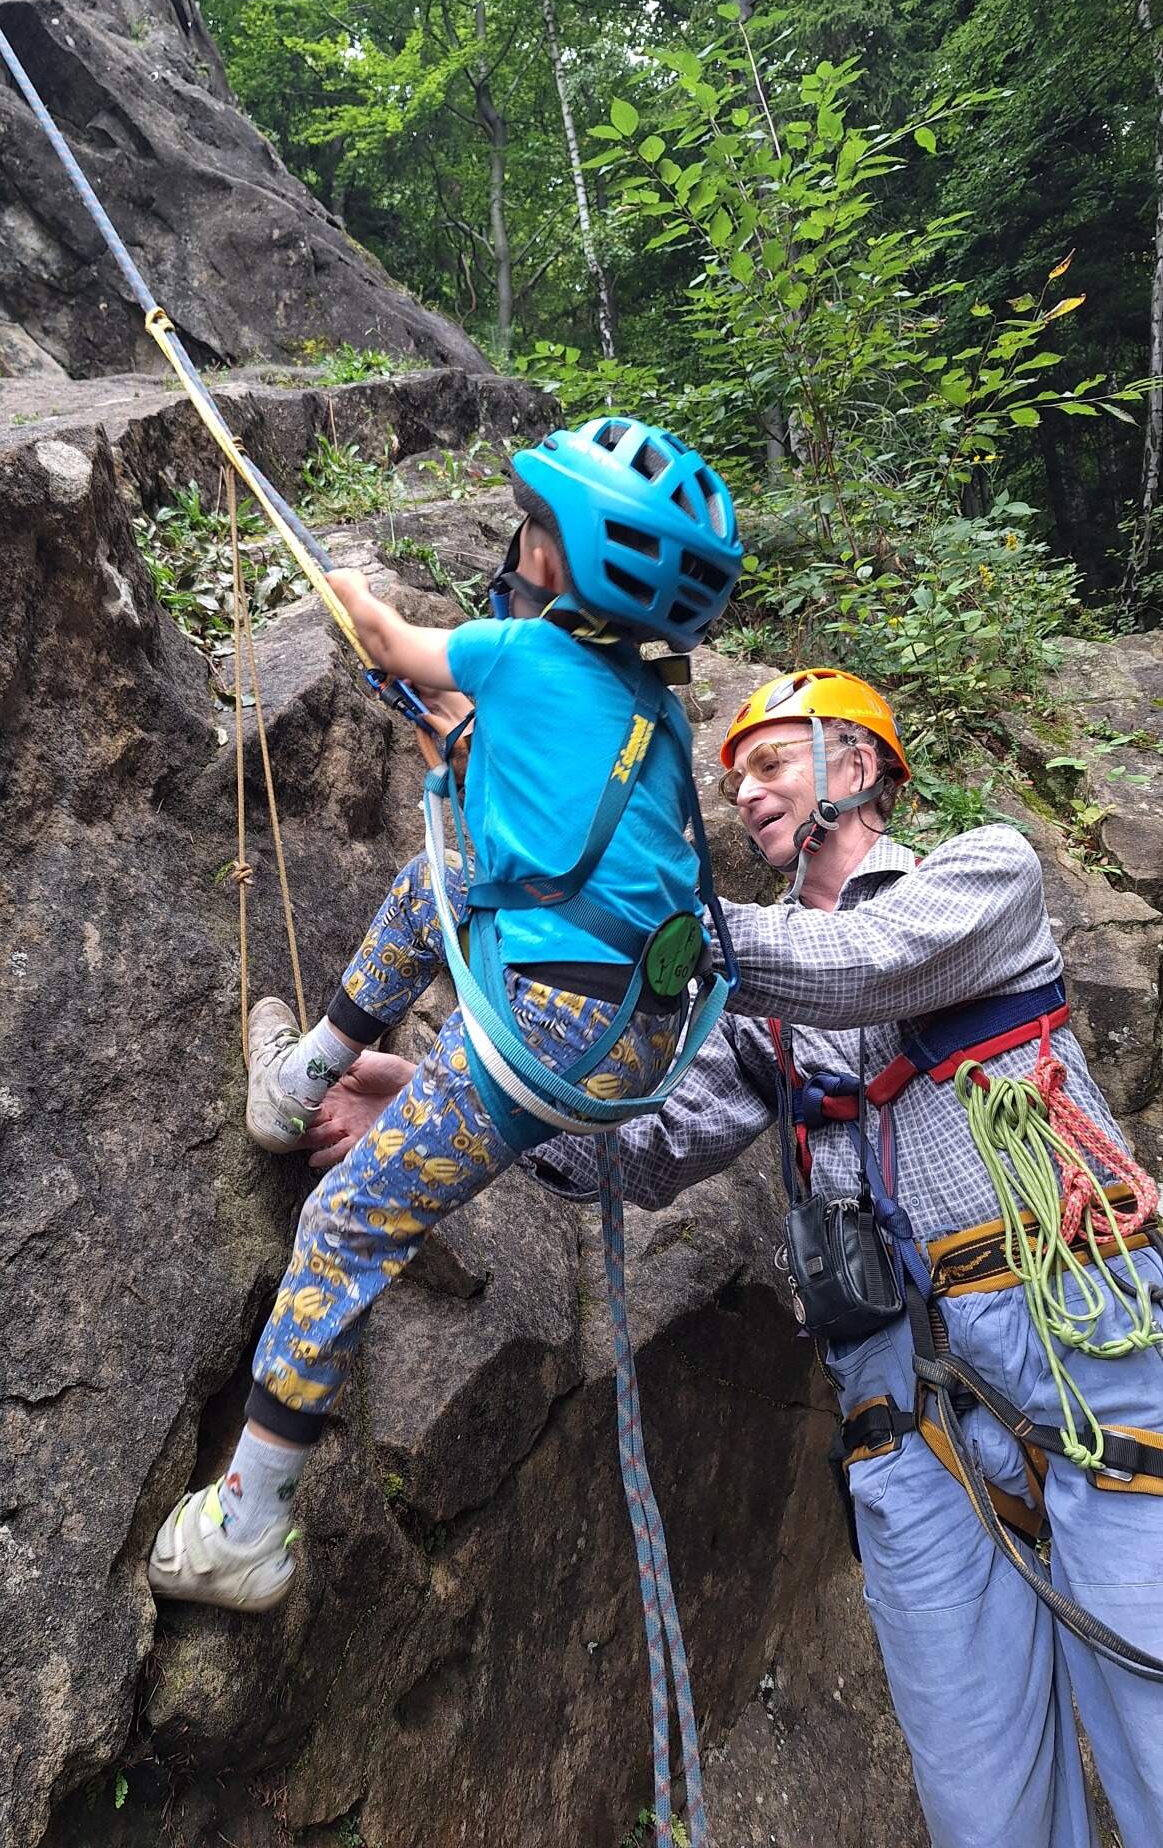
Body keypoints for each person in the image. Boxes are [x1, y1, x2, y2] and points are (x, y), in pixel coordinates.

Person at [308, 666, 1163, 1848]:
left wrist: (645, 914)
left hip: (1075, 1341)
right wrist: (434, 1093)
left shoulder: (983, 876)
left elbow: (865, 962)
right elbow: (645, 1146)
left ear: (858, 766)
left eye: (771, 760)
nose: (746, 789)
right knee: (982, 1805)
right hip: (900, 1411)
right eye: (735, 773)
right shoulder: (756, 1010)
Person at [147, 415, 741, 1614]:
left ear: (565, 555)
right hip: (624, 1034)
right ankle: (305, 1076)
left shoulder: (517, 655)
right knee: (440, 879)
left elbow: (384, 637)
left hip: (535, 1033)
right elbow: (547, 810)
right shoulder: (660, 723)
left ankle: (246, 1525)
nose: (517, 544)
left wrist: (346, 582)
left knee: (348, 1220)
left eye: (533, 524)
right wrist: (449, 731)